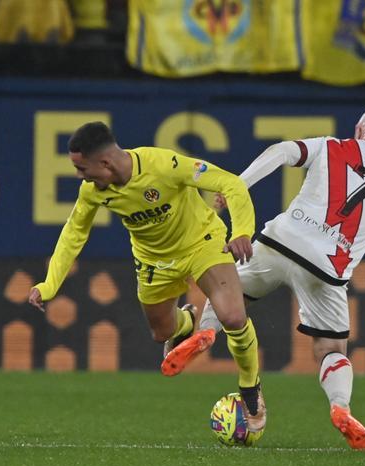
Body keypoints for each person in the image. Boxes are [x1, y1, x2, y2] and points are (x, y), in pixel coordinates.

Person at [175, 107, 365, 450]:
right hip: (327, 269)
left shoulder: (331, 146)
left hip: (279, 242)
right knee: (331, 349)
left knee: (227, 292)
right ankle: (341, 407)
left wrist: (237, 186)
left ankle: (205, 332)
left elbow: (279, 152)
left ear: (359, 130)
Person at [27, 122, 266, 431]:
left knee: (233, 317)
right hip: (153, 263)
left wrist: (243, 230)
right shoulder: (93, 191)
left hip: (201, 243)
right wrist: (49, 284)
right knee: (161, 333)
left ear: (106, 163)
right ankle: (187, 322)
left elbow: (230, 183)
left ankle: (250, 389)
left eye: (81, 168)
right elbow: (74, 233)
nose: (79, 176)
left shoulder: (165, 165)